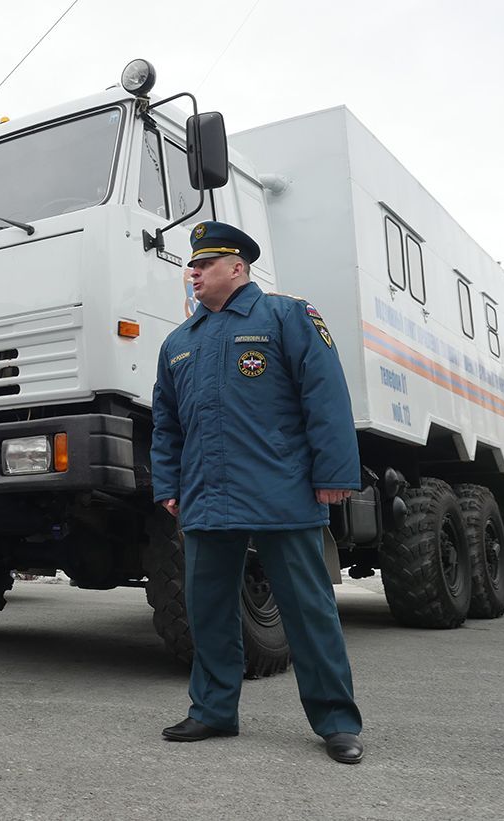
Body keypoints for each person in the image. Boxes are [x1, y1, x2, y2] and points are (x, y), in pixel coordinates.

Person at [151, 221, 365, 765]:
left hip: (282, 491)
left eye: (205, 264)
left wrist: (334, 474)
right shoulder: (179, 342)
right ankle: (214, 711)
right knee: (208, 611)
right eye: (190, 265)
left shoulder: (287, 315)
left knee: (308, 609)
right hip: (206, 496)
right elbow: (167, 424)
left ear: (237, 268)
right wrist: (169, 484)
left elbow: (325, 396)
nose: (192, 272)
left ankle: (337, 723)